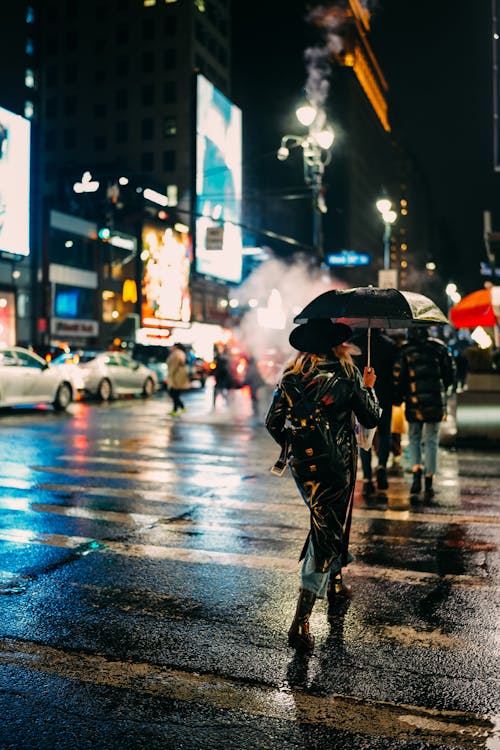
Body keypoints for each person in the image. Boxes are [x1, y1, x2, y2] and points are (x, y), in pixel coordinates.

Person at [265, 319, 380, 652]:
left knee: (324, 519)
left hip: (304, 467)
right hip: (337, 465)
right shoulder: (347, 375)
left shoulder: (290, 378)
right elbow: (370, 418)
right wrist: (369, 386)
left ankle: (336, 580)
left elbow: (273, 422)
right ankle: (300, 622)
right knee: (325, 529)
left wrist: (297, 444)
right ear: (336, 345)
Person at [393, 327, 456, 501]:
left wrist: (397, 398)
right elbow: (450, 374)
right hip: (435, 401)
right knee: (432, 440)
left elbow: (399, 378)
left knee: (414, 437)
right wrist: (442, 387)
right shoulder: (440, 348)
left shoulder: (405, 351)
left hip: (414, 402)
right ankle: (429, 478)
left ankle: (415, 472)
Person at [350, 328, 398, 498]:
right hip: (385, 396)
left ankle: (368, 478)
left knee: (364, 436)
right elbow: (395, 373)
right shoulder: (390, 345)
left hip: (361, 397)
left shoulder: (354, 344)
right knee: (385, 434)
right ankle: (382, 466)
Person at [166, 343, 190, 416]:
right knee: (175, 393)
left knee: (173, 393)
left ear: (176, 347)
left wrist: (170, 374)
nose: (171, 347)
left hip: (176, 376)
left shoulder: (177, 354)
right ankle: (176, 409)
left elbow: (174, 365)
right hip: (179, 375)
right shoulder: (180, 353)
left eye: (173, 346)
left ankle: (180, 408)